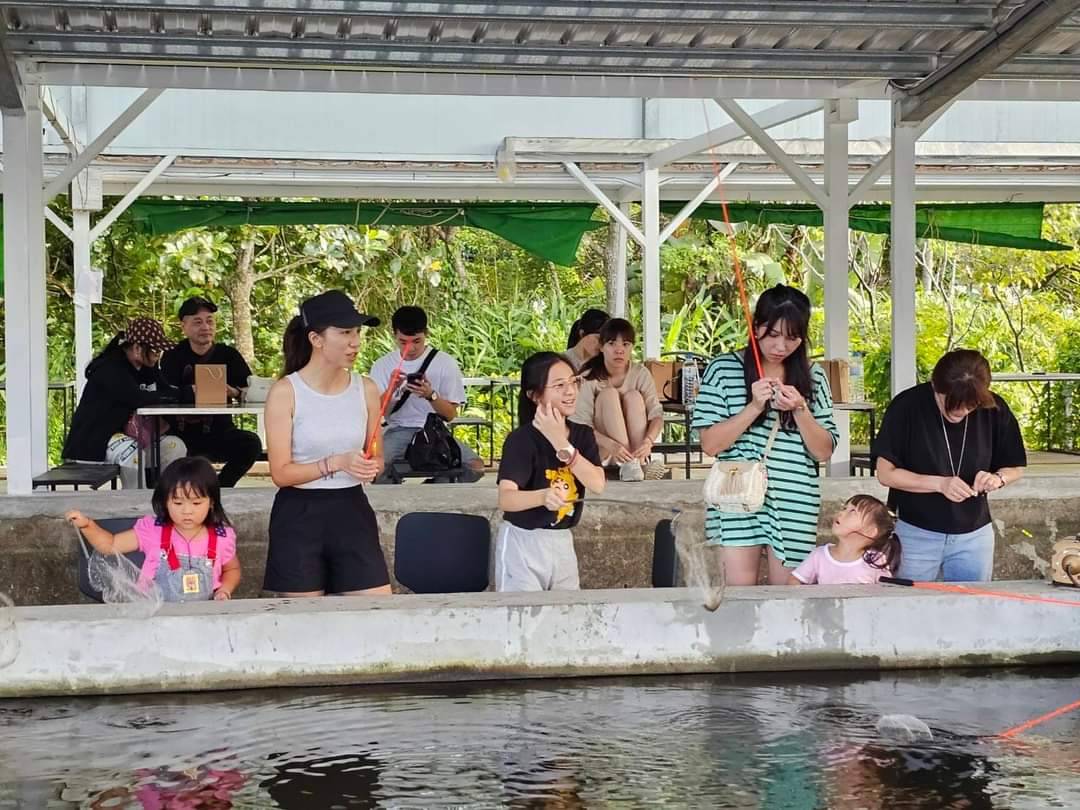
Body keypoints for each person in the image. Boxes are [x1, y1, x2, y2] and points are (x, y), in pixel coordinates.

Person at [692, 284, 838, 585]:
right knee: (738, 596)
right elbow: (710, 444)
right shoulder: (723, 369)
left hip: (794, 496)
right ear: (756, 326)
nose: (781, 346)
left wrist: (800, 409)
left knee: (788, 597)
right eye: (772, 334)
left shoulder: (814, 376)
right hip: (736, 494)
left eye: (792, 337)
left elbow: (824, 451)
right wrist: (754, 407)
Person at [263, 290, 390, 597]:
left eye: (357, 332)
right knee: (305, 618)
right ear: (316, 339)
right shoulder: (286, 392)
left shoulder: (367, 389)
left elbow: (377, 457)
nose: (355, 342)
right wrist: (335, 463)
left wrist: (370, 466)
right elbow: (280, 473)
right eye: (344, 333)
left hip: (353, 509)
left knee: (376, 610)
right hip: (299, 514)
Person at [873, 349, 1026, 582]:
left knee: (972, 602)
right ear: (936, 386)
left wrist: (997, 478)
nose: (961, 412)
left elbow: (1015, 467)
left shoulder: (994, 408)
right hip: (915, 532)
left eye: (971, 406)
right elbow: (886, 474)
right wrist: (940, 484)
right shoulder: (907, 406)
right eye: (952, 404)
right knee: (909, 602)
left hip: (975, 535)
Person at [496, 351, 605, 592]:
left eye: (573, 382)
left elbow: (597, 483)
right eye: (559, 385)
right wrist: (542, 496)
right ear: (534, 395)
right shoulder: (521, 440)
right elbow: (506, 499)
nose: (570, 391)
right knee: (524, 614)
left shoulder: (582, 435)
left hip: (562, 540)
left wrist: (560, 442)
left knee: (565, 613)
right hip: (523, 543)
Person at [65, 456, 240, 601]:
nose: (187, 511)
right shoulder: (152, 530)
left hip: (202, 618)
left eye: (196, 503)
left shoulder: (222, 537)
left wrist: (224, 590)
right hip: (155, 617)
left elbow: (232, 569)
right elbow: (110, 545)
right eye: (178, 503)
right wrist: (87, 525)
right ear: (165, 502)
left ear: (211, 502)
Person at [63, 317, 189, 490]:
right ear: (137, 348)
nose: (157, 355)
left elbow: (166, 390)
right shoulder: (110, 369)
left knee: (175, 447)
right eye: (154, 350)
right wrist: (179, 394)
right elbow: (138, 397)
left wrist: (185, 393)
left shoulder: (147, 368)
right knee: (133, 453)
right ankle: (135, 502)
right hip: (96, 443)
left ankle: (168, 498)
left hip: (134, 437)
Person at [369, 305, 484, 483]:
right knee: (376, 467)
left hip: (435, 429)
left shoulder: (445, 363)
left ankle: (435, 489)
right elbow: (378, 412)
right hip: (398, 429)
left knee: (475, 466)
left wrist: (431, 396)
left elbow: (450, 415)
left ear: (426, 334)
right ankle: (393, 494)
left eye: (416, 341)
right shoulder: (383, 365)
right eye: (403, 342)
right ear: (394, 336)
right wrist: (392, 389)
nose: (410, 348)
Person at [160, 296, 263, 487]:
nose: (205, 327)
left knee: (251, 443)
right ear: (183, 326)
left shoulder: (229, 355)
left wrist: (234, 392)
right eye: (197, 322)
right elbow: (164, 393)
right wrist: (189, 392)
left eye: (210, 321)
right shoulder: (172, 356)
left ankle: (219, 488)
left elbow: (250, 390)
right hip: (182, 434)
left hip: (220, 431)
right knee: (166, 449)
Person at [571, 318, 666, 482]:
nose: (619, 350)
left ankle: (636, 463)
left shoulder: (640, 373)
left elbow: (656, 414)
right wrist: (611, 445)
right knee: (608, 395)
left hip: (635, 449)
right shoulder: (589, 377)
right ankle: (633, 464)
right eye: (612, 344)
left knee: (634, 396)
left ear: (632, 347)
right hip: (602, 449)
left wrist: (648, 442)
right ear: (601, 347)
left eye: (625, 344)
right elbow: (581, 425)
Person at [788, 495, 901, 585]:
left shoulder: (876, 560)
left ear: (870, 531)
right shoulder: (819, 555)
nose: (841, 513)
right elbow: (795, 580)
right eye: (844, 508)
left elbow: (886, 592)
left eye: (852, 512)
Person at [565, 308, 608, 372]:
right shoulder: (560, 361)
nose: (602, 345)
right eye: (599, 339)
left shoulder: (604, 366)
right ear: (582, 334)